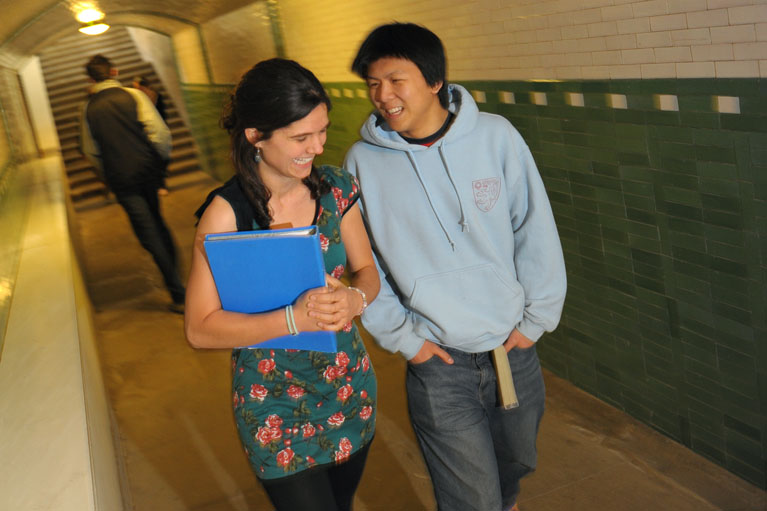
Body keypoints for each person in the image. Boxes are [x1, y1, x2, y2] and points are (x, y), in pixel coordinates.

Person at [344, 23, 567, 511]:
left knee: (516, 467)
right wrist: (406, 341)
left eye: (395, 80)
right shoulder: (363, 161)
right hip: (438, 363)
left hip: (512, 350)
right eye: (373, 84)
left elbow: (535, 229)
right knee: (472, 499)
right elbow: (365, 263)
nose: (382, 95)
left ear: (433, 80)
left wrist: (534, 322)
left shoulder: (495, 138)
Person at [184, 58, 379, 511]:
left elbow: (367, 272)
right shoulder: (226, 214)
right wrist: (292, 318)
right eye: (300, 137)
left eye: (322, 131)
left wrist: (355, 298)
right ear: (255, 135)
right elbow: (200, 328)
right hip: (273, 405)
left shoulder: (334, 188)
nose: (316, 147)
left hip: (349, 389)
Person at [80, 54, 185, 313]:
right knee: (157, 220)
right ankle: (178, 277)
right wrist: (160, 164)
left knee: (146, 231)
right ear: (114, 71)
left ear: (91, 80)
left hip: (121, 179)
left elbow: (89, 150)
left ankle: (177, 291)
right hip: (147, 171)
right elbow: (159, 134)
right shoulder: (134, 96)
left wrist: (108, 173)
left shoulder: (88, 108)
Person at [132, 76, 170, 196]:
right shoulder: (150, 96)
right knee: (157, 159)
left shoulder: (146, 97)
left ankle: (159, 184)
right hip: (153, 132)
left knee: (158, 159)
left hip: (152, 132)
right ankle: (159, 184)